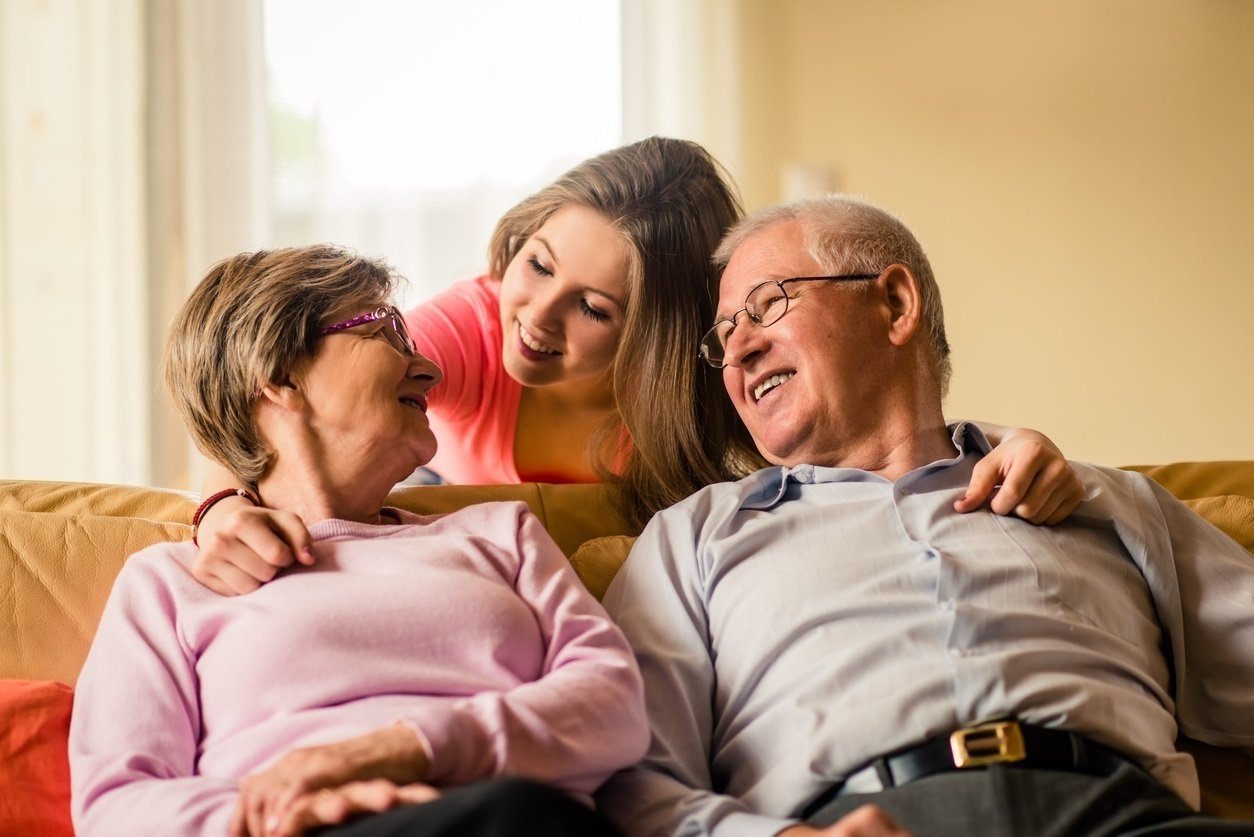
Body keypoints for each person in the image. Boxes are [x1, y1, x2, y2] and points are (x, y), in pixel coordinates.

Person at [594, 197, 1254, 836]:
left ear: (895, 303)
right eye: (724, 336)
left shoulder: (1102, 498)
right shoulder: (693, 537)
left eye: (765, 305)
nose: (738, 352)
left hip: (1123, 813)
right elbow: (635, 775)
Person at [190, 138, 1082, 596]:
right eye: (537, 264)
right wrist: (220, 506)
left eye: (593, 308)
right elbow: (288, 398)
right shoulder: (472, 321)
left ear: (652, 337)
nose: (535, 318)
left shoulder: (705, 387)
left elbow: (868, 434)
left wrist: (1006, 441)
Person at [69, 246, 649, 837]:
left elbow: (615, 704)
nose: (431, 370)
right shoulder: (170, 582)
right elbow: (117, 803)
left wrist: (405, 749)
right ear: (278, 375)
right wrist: (269, 815)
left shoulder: (502, 533)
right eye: (386, 333)